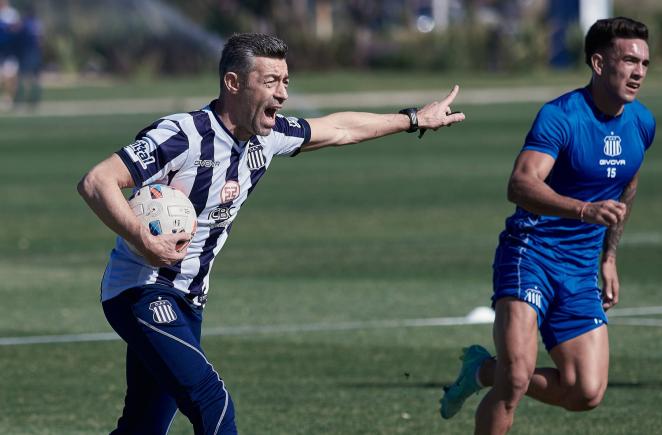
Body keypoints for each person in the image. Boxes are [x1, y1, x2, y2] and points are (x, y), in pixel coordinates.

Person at [78, 33, 464, 434]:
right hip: (142, 290)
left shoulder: (267, 136)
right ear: (233, 83)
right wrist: (144, 238)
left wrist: (414, 119)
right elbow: (97, 181)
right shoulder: (183, 136)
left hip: (189, 298)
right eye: (269, 82)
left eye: (285, 82)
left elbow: (339, 128)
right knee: (214, 403)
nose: (281, 95)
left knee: (143, 427)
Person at [439, 17, 654, 434]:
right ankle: (497, 376)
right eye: (628, 60)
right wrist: (583, 210)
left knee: (586, 392)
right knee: (515, 379)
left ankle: (481, 370)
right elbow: (520, 184)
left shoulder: (642, 123)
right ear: (597, 62)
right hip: (531, 255)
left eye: (644, 63)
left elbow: (628, 180)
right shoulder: (561, 116)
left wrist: (609, 256)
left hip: (581, 267)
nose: (639, 71)